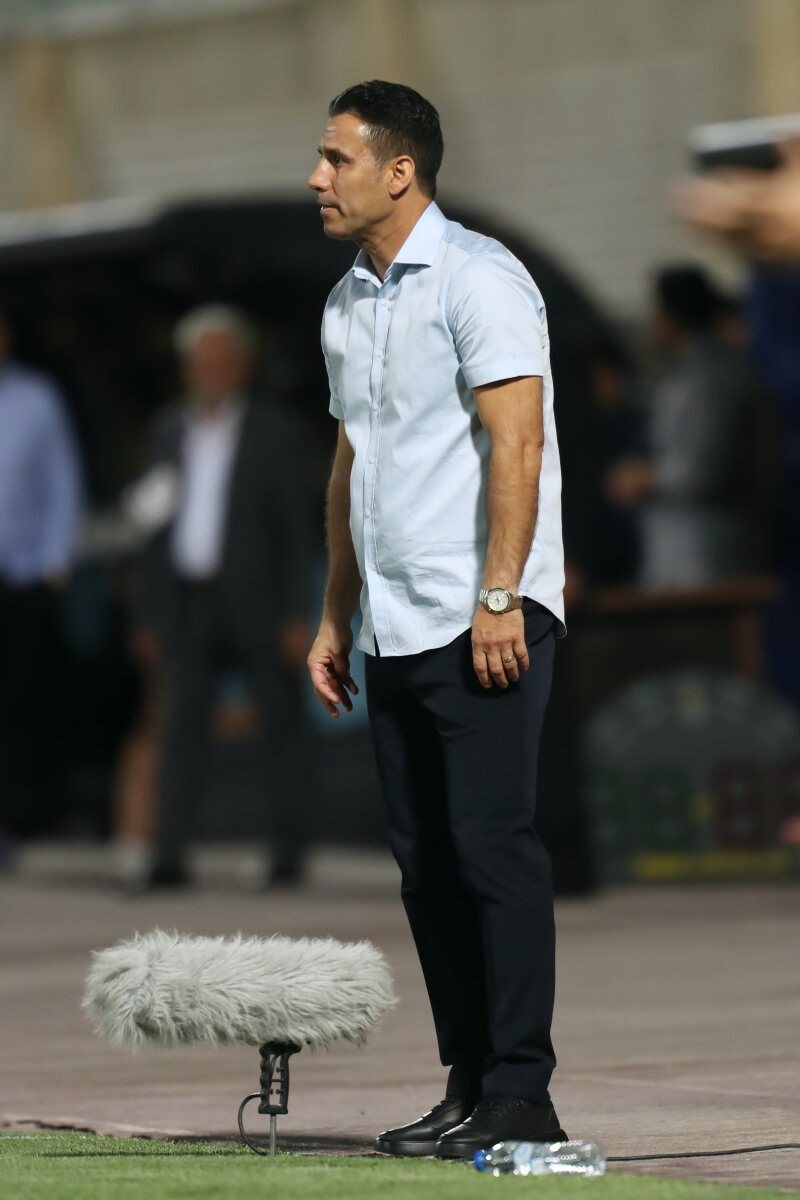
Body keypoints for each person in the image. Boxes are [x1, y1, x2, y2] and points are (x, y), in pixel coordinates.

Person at [307, 81, 567, 1159]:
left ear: (399, 170)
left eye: (337, 158)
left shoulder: (479, 277)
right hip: (394, 625)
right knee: (427, 868)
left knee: (493, 850)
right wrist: (335, 614)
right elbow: (351, 465)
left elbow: (518, 442)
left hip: (482, 617)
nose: (317, 178)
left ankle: (522, 1094)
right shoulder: (346, 303)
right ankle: (468, 1083)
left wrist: (499, 595)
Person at [133, 306, 313, 890]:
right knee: (179, 727)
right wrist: (148, 613)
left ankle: (286, 850)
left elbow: (296, 531)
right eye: (199, 362)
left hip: (258, 600)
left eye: (220, 361)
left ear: (242, 366)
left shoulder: (275, 434)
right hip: (189, 600)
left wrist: (297, 612)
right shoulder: (168, 430)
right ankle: (170, 853)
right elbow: (151, 526)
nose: (208, 372)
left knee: (279, 723)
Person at [606, 266, 770, 587]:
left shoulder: (712, 378)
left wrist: (643, 478)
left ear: (671, 316)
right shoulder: (693, 371)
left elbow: (700, 470)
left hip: (705, 558)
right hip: (686, 558)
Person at [0, 313, 84, 859]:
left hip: (20, 575)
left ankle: (10, 821)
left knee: (16, 704)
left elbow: (62, 480)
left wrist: (55, 563)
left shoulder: (36, 398)